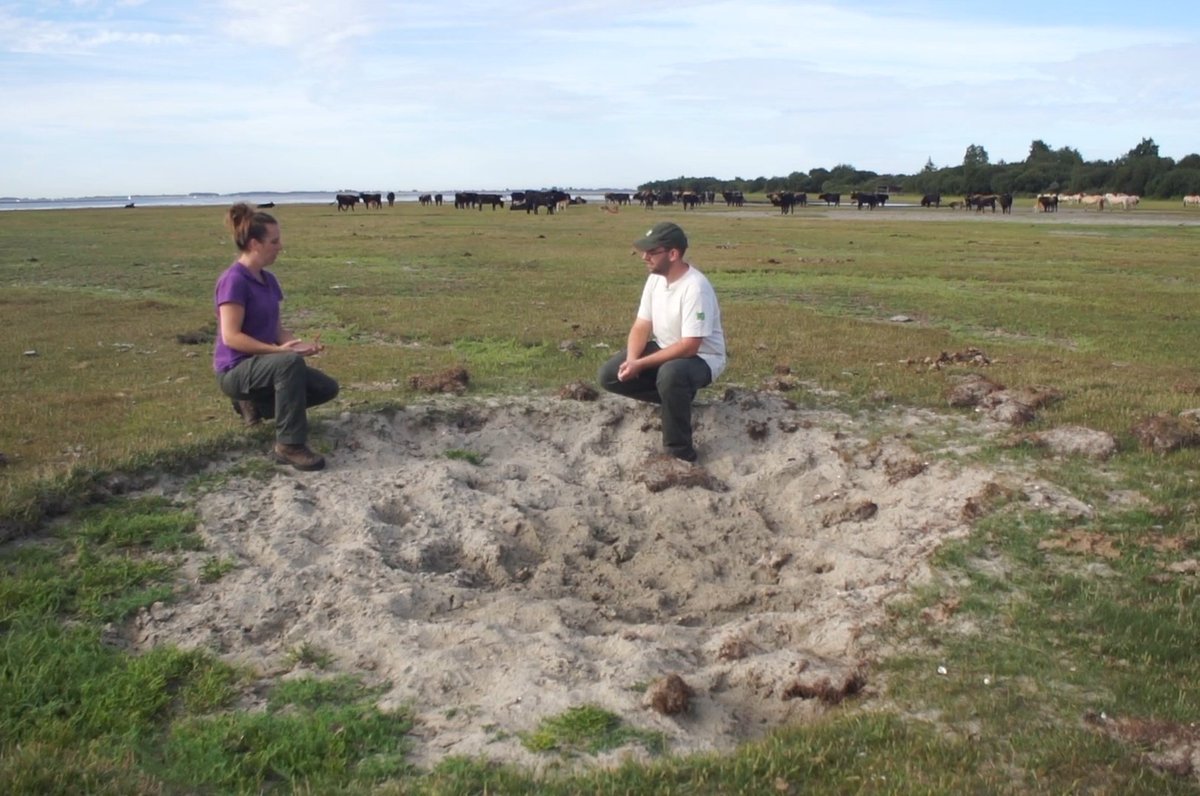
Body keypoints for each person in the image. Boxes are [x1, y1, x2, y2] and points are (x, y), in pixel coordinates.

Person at [213, 203, 339, 471]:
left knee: (326, 388)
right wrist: (281, 353)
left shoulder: (268, 280)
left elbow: (277, 330)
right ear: (255, 244)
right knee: (288, 364)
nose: (280, 246)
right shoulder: (233, 280)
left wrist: (298, 345)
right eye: (275, 241)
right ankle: (290, 444)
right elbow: (231, 338)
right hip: (234, 369)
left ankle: (254, 405)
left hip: (263, 367)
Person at [598, 221, 726, 462]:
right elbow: (641, 325)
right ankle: (676, 398)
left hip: (702, 358)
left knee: (671, 375)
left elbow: (690, 346)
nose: (644, 257)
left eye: (652, 252)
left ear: (673, 254)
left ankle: (680, 453)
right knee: (609, 374)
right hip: (666, 346)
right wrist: (633, 361)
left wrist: (642, 365)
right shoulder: (655, 279)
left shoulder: (695, 288)